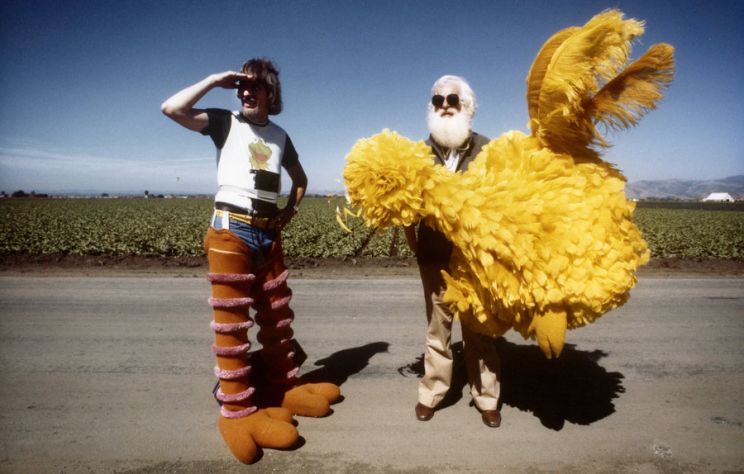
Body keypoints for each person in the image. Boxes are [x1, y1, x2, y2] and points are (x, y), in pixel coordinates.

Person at [161, 57, 340, 464]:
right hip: (231, 233)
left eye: (252, 85)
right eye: (239, 85)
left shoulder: (280, 135)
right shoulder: (225, 123)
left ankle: (285, 387)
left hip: (268, 233)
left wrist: (287, 215)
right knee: (232, 324)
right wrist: (213, 79)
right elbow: (171, 109)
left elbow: (301, 180)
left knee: (277, 319)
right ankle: (237, 413)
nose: (244, 91)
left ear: (270, 92)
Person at [404, 75, 502, 428]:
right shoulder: (417, 154)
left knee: (479, 329)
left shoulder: (489, 151)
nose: (444, 105)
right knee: (437, 329)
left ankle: (487, 397)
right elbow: (405, 207)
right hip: (432, 255)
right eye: (437, 100)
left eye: (452, 99)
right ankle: (432, 393)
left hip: (476, 259)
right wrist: (416, 245)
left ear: (467, 106)